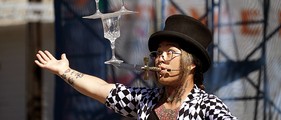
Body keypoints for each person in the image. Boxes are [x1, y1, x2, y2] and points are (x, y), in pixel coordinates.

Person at [35, 14, 237, 119]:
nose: (160, 59)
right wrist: (64, 70)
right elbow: (101, 89)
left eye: (170, 53)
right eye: (159, 53)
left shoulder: (207, 106)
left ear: (192, 63)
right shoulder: (146, 100)